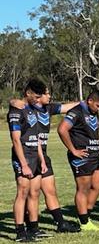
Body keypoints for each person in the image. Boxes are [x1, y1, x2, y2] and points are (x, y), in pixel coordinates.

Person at [9, 87, 81, 234]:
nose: (49, 95)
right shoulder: (25, 107)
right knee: (27, 192)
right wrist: (11, 101)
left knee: (49, 190)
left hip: (42, 154)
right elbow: (17, 104)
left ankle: (60, 223)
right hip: (27, 153)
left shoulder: (48, 108)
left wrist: (86, 102)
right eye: (46, 93)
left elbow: (68, 107)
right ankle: (27, 227)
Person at [58, 91, 99, 231]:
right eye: (98, 105)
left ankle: (85, 214)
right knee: (83, 188)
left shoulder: (93, 112)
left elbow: (94, 131)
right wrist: (73, 150)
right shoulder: (76, 112)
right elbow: (62, 129)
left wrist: (98, 144)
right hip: (81, 155)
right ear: (90, 100)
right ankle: (84, 222)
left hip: (94, 153)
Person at [8, 79, 48, 241]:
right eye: (36, 97)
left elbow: (36, 138)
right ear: (28, 93)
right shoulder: (16, 111)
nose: (38, 100)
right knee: (22, 193)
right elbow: (16, 140)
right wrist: (23, 165)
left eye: (40, 97)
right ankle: (20, 232)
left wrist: (42, 160)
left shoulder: (33, 110)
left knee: (35, 193)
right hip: (22, 157)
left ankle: (33, 228)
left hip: (35, 157)